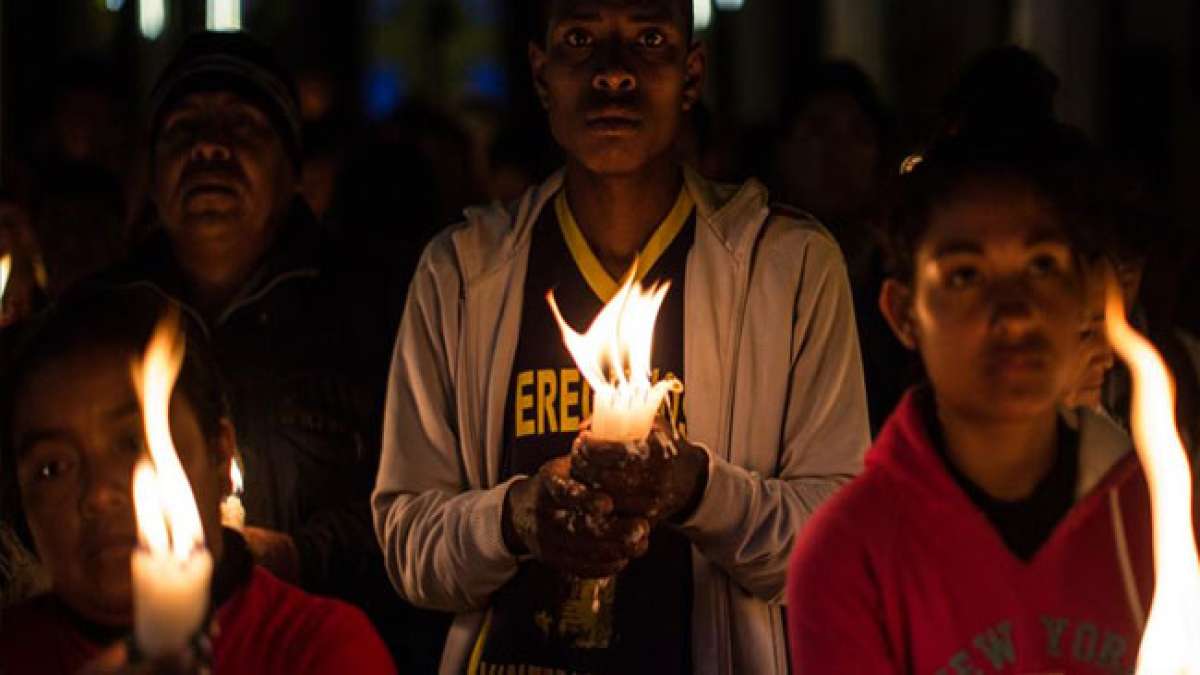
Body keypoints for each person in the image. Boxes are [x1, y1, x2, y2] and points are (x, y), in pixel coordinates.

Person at [372, 1, 870, 673]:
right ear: (541, 73)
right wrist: (517, 518)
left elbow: (839, 541)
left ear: (691, 75)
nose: (613, 74)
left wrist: (697, 489)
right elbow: (408, 543)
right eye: (581, 40)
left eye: (649, 40)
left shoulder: (786, 270)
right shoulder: (462, 274)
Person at [90, 31, 447, 670]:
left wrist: (300, 557)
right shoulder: (97, 325)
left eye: (243, 127)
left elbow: (429, 505)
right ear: (149, 174)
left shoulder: (376, 317)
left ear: (295, 173)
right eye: (183, 130)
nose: (209, 147)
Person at [787, 121, 1156, 673]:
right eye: (965, 276)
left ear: (1085, 294)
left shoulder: (1152, 512)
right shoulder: (850, 554)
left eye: (1041, 266)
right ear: (905, 314)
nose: (1013, 313)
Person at [0, 288, 395, 675]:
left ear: (221, 457)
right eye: (53, 468)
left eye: (135, 444)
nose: (99, 495)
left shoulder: (321, 650)